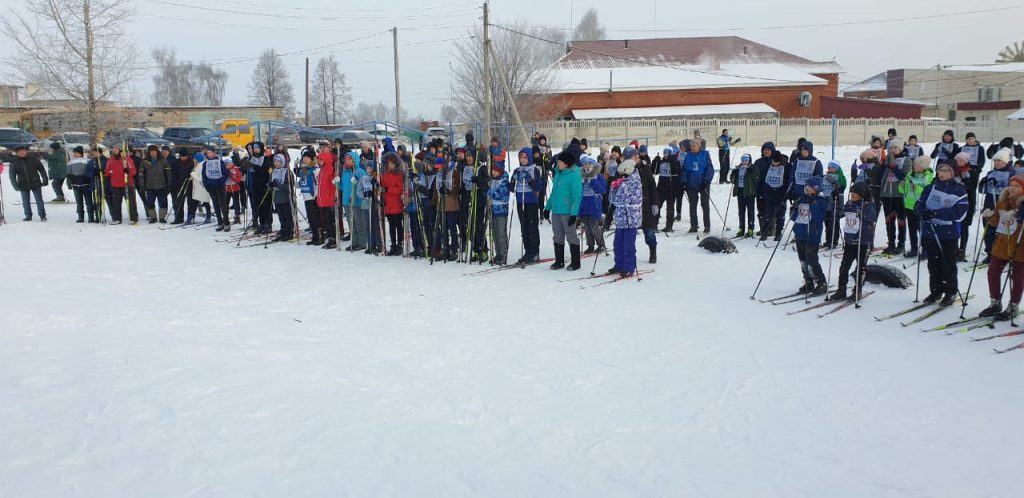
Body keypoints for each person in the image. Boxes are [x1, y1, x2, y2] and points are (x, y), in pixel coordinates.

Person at [914, 162, 969, 306]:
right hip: (930, 231)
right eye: (940, 170)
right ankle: (936, 290)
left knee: (948, 264)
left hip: (948, 233)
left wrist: (937, 213)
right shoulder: (930, 187)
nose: (942, 173)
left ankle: (950, 292)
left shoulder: (959, 190)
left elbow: (960, 212)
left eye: (946, 170)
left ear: (952, 173)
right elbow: (919, 203)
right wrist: (922, 211)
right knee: (933, 264)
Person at [979, 174, 1024, 320]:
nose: (1013, 188)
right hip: (1002, 242)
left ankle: (1013, 305)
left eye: (1017, 186)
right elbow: (995, 221)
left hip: (1020, 244)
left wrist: (1018, 214)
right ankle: (995, 302)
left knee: (1017, 278)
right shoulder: (1003, 200)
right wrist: (989, 215)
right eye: (1011, 185)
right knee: (992, 272)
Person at [828, 182, 877, 302]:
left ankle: (857, 291)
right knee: (844, 267)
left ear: (862, 194)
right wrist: (836, 205)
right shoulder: (850, 204)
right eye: (852, 192)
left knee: (861, 268)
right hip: (850, 241)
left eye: (855, 193)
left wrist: (861, 217)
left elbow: (872, 220)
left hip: (863, 242)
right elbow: (841, 213)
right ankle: (841, 290)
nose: (852, 195)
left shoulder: (868, 205)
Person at [545, 150, 583, 270]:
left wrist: (573, 214)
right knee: (557, 236)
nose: (557, 164)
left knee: (571, 236)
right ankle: (559, 261)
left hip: (567, 211)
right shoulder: (558, 173)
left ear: (566, 164)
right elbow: (554, 193)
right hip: (556, 210)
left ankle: (576, 262)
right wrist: (547, 208)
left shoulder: (574, 175)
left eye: (560, 162)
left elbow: (576, 197)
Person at [791, 177, 829, 295]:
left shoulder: (821, 201)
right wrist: (794, 207)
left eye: (809, 188)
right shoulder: (802, 199)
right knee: (803, 260)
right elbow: (793, 217)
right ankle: (808, 281)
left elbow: (818, 218)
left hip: (812, 235)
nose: (806, 189)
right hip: (800, 233)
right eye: (805, 187)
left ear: (816, 189)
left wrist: (812, 204)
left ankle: (821, 282)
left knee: (811, 259)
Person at [979, 148, 1014, 263]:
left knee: (1003, 230)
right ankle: (990, 252)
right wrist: (983, 183)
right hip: (990, 203)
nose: (997, 163)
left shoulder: (1012, 173)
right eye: (995, 161)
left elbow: (1014, 190)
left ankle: (1004, 253)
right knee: (988, 229)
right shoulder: (990, 173)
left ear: (1005, 162)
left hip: (1004, 204)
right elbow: (981, 190)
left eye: (1000, 161)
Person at [608, 158, 642, 277]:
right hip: (620, 218)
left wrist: (621, 186)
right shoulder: (622, 181)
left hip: (630, 218)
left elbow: (626, 199)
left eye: (622, 173)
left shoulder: (635, 182)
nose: (620, 175)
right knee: (618, 244)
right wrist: (613, 188)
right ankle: (619, 265)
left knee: (628, 245)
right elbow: (612, 200)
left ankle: (629, 267)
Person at [510, 147, 543, 264]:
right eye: (521, 157)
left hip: (532, 202)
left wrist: (529, 179)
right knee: (524, 228)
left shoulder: (534, 169)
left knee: (532, 227)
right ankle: (528, 251)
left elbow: (538, 187)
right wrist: (513, 181)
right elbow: (512, 189)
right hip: (521, 202)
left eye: (525, 157)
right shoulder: (517, 170)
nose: (523, 160)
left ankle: (535, 252)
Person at [898, 155, 934, 259]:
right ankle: (914, 248)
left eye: (917, 165)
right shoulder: (910, 174)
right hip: (909, 205)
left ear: (923, 167)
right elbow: (903, 191)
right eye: (914, 164)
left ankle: (925, 250)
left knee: (921, 229)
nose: (914, 166)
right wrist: (901, 185)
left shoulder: (929, 176)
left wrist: (916, 188)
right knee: (912, 228)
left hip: (920, 206)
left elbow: (927, 191)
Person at [879, 142, 911, 254]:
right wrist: (885, 164)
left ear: (901, 148)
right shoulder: (887, 159)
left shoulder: (906, 160)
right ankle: (891, 243)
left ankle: (901, 243)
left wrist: (894, 166)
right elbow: (881, 175)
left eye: (895, 147)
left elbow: (904, 176)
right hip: (887, 193)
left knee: (901, 219)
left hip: (899, 194)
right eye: (891, 147)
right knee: (889, 219)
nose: (892, 149)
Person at [680, 138, 714, 233]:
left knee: (705, 205)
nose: (691, 148)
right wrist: (684, 181)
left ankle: (707, 226)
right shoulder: (688, 155)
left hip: (703, 184)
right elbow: (685, 169)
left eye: (693, 146)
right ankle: (694, 226)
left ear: (699, 146)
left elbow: (709, 169)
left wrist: (707, 180)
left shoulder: (705, 154)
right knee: (692, 206)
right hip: (692, 184)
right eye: (690, 146)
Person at [9, 145, 49, 221]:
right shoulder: (14, 162)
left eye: (24, 151)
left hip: (35, 182)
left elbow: (42, 170)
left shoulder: (34, 159)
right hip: (22, 184)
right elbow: (12, 176)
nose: (22, 153)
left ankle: (42, 216)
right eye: (20, 152)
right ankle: (28, 216)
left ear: (26, 151)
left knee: (39, 200)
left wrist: (45, 179)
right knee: (25, 201)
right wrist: (15, 185)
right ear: (17, 153)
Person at [337, 150, 367, 252]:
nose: (347, 161)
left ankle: (362, 242)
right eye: (346, 159)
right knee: (351, 223)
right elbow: (344, 187)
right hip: (346, 201)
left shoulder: (359, 171)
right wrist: (337, 183)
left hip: (356, 201)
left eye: (349, 159)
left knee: (359, 222)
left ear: (354, 160)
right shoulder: (345, 172)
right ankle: (354, 242)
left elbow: (363, 186)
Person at [759, 151, 791, 242]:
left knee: (780, 215)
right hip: (769, 193)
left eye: (776, 162)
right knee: (768, 214)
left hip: (781, 195)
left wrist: (786, 193)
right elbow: (763, 177)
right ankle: (765, 232)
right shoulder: (768, 165)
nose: (774, 164)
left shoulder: (787, 167)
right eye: (773, 162)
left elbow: (789, 180)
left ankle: (778, 233)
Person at [636, 147, 660, 263]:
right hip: (631, 206)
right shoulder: (626, 169)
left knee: (649, 231)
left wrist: (654, 203)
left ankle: (653, 250)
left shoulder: (645, 168)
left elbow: (652, 186)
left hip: (645, 204)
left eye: (636, 156)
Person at [104, 146, 138, 225]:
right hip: (115, 184)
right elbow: (107, 172)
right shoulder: (111, 160)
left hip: (126, 184)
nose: (114, 150)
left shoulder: (127, 159)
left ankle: (133, 218)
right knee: (116, 203)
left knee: (131, 202)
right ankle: (117, 218)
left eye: (116, 149)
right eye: (113, 149)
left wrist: (127, 171)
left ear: (120, 150)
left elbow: (133, 171)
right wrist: (107, 172)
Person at [729, 153, 761, 237]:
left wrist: (751, 170)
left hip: (749, 192)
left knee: (750, 211)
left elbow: (757, 178)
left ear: (749, 160)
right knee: (741, 211)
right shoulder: (739, 168)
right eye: (743, 160)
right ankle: (741, 228)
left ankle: (750, 228)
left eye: (746, 160)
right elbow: (732, 180)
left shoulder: (753, 168)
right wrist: (734, 174)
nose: (744, 162)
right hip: (740, 191)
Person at [381, 151, 406, 256]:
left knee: (398, 225)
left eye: (391, 163)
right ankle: (393, 244)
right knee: (391, 226)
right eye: (388, 164)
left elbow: (400, 189)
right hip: (388, 204)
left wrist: (388, 189)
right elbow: (382, 188)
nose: (390, 165)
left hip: (396, 203)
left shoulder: (399, 175)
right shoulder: (385, 175)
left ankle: (400, 244)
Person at [486, 158, 510, 265]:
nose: (493, 172)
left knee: (501, 233)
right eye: (493, 170)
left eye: (496, 170)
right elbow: (488, 193)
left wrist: (492, 193)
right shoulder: (492, 180)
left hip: (501, 210)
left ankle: (503, 254)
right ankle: (498, 253)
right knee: (494, 233)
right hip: (493, 209)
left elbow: (503, 196)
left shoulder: (504, 181)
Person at [201, 146, 230, 232]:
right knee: (216, 205)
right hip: (211, 187)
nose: (209, 154)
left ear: (214, 153)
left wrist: (221, 182)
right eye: (208, 153)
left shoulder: (220, 161)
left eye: (211, 152)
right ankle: (219, 222)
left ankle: (226, 222)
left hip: (220, 186)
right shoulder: (205, 163)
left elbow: (225, 173)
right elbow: (204, 176)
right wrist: (207, 186)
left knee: (223, 205)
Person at [139, 145, 171, 223]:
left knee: (162, 203)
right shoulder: (144, 162)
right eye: (151, 151)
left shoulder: (163, 161)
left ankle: (162, 218)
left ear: (157, 152)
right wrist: (142, 184)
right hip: (150, 186)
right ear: (149, 152)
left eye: (154, 151)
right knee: (150, 203)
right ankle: (153, 217)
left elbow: (168, 173)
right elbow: (141, 174)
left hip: (161, 185)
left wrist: (169, 183)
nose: (153, 153)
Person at [821, 160, 847, 249]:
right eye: (829, 167)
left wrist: (834, 183)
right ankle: (828, 239)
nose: (830, 169)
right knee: (827, 222)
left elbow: (842, 187)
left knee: (834, 222)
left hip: (836, 202)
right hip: (825, 201)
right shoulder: (824, 176)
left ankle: (833, 240)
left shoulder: (840, 177)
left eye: (832, 167)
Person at [66, 146, 96, 223]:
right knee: (79, 202)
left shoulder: (87, 161)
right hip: (75, 185)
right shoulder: (71, 162)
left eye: (76, 152)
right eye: (74, 153)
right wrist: (69, 182)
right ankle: (80, 217)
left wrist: (91, 182)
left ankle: (91, 217)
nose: (75, 154)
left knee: (89, 202)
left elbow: (90, 172)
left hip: (86, 184)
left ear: (80, 153)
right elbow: (68, 174)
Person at [296, 149, 321, 244]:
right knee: (310, 218)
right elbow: (301, 183)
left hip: (314, 197)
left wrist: (316, 195)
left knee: (316, 218)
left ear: (312, 159)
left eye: (307, 158)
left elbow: (318, 184)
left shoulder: (316, 170)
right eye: (304, 158)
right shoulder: (304, 171)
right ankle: (314, 236)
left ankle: (319, 236)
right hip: (306, 196)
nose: (305, 160)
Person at [269, 154, 295, 242]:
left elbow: (290, 187)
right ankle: (283, 231)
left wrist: (279, 185)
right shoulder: (274, 171)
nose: (276, 163)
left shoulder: (287, 172)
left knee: (287, 216)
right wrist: (270, 185)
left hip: (286, 198)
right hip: (277, 198)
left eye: (278, 161)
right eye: (275, 161)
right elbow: (271, 183)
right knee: (281, 217)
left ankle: (289, 232)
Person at [316, 147, 338, 249]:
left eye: (321, 160)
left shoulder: (330, 171)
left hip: (328, 201)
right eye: (319, 160)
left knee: (330, 222)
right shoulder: (321, 171)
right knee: (325, 221)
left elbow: (333, 188)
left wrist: (331, 201)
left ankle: (333, 238)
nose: (320, 162)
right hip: (322, 201)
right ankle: (329, 237)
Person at [753, 142, 777, 236]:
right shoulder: (758, 162)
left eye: (768, 149)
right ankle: (763, 228)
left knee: (771, 210)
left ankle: (771, 229)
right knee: (761, 209)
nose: (766, 151)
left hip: (772, 190)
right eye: (764, 149)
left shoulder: (775, 161)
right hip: (760, 190)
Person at [654, 147, 680, 232]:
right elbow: (655, 171)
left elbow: (676, 171)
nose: (665, 155)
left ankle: (669, 226)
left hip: (671, 187)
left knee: (670, 208)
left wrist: (671, 160)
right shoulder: (662, 162)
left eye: (667, 153)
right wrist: (655, 161)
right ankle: (654, 225)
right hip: (661, 186)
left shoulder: (674, 161)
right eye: (664, 153)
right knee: (657, 205)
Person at [186, 154, 211, 225]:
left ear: (197, 159)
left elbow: (200, 179)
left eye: (194, 158)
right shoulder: (199, 165)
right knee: (204, 202)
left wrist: (192, 174)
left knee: (203, 202)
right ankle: (192, 217)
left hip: (201, 188)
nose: (193, 159)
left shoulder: (201, 166)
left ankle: (191, 218)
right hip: (200, 188)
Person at [169, 148, 192, 224]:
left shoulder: (191, 161)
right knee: (178, 203)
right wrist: (173, 184)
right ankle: (178, 218)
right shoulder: (176, 162)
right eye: (182, 156)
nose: (183, 158)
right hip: (178, 185)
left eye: (185, 156)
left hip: (189, 185)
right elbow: (173, 174)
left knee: (191, 202)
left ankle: (190, 217)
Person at [224, 157, 243, 225]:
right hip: (227, 188)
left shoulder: (235, 169)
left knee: (236, 203)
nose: (227, 166)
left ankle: (237, 216)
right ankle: (225, 217)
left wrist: (231, 174)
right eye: (226, 165)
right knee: (226, 203)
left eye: (228, 165)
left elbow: (238, 179)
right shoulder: (224, 169)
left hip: (235, 188)